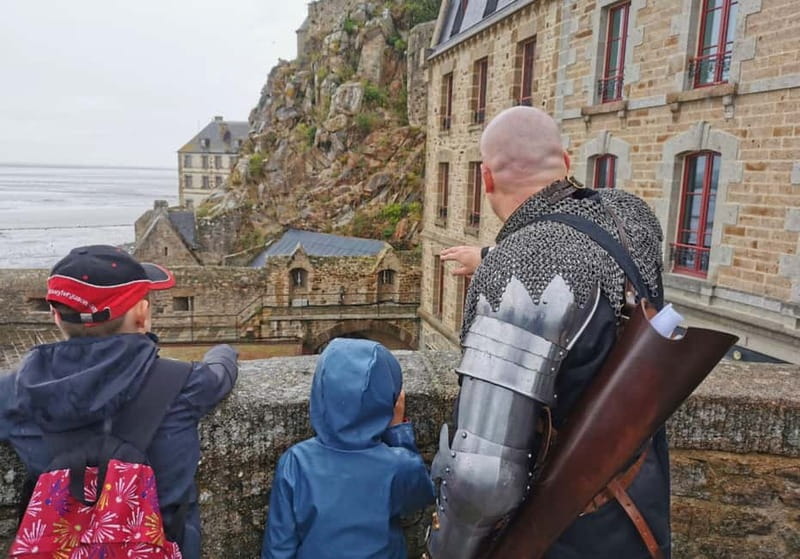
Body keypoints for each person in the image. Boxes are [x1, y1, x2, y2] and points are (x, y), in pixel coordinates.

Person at [426, 106, 671, 559]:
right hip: (638, 512)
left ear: (486, 179)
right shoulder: (632, 217)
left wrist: (443, 552)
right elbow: (581, 252)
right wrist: (491, 256)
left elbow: (481, 480)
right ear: (566, 161)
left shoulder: (519, 269)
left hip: (559, 536)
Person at [0, 245, 238, 559]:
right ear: (141, 314)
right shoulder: (183, 383)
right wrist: (223, 351)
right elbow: (221, 372)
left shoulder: (13, 392)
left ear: (56, 316)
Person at [262, 338, 435, 559]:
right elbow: (422, 495)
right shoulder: (400, 465)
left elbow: (278, 548)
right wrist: (398, 432)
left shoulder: (295, 462)